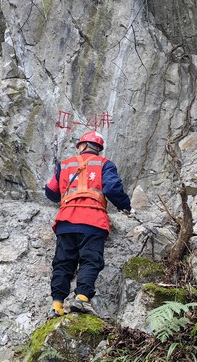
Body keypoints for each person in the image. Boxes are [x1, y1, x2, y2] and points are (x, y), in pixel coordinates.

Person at [44, 131, 132, 318]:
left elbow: (51, 192)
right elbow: (111, 188)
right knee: (90, 260)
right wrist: (126, 206)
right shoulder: (105, 164)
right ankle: (81, 299)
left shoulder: (65, 165)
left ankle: (57, 305)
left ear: (81, 146)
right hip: (93, 221)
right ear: (98, 149)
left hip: (66, 221)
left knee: (62, 263)